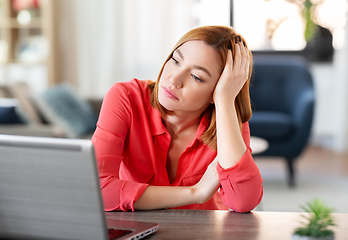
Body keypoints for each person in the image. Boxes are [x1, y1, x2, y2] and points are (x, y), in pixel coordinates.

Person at [91, 25, 263, 213]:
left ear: (218, 90)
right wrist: (196, 192)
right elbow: (95, 190)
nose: (174, 79)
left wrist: (224, 100)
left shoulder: (227, 119)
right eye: (176, 60)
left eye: (196, 77)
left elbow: (243, 201)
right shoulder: (126, 98)